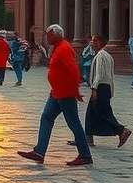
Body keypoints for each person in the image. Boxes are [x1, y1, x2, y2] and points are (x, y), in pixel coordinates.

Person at [17, 24, 92, 166]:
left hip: (65, 93)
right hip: (56, 92)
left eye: (49, 34)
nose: (47, 37)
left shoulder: (64, 48)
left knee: (74, 123)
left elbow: (73, 70)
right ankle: (39, 152)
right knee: (46, 118)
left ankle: (85, 155)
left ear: (56, 34)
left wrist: (75, 91)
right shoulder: (57, 48)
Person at [73, 34, 132, 148]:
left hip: (100, 88)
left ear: (100, 42)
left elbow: (99, 74)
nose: (92, 43)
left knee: (103, 113)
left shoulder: (100, 56)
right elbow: (110, 75)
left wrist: (94, 88)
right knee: (91, 114)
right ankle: (87, 139)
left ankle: (122, 130)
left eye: (94, 41)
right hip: (106, 88)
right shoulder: (108, 56)